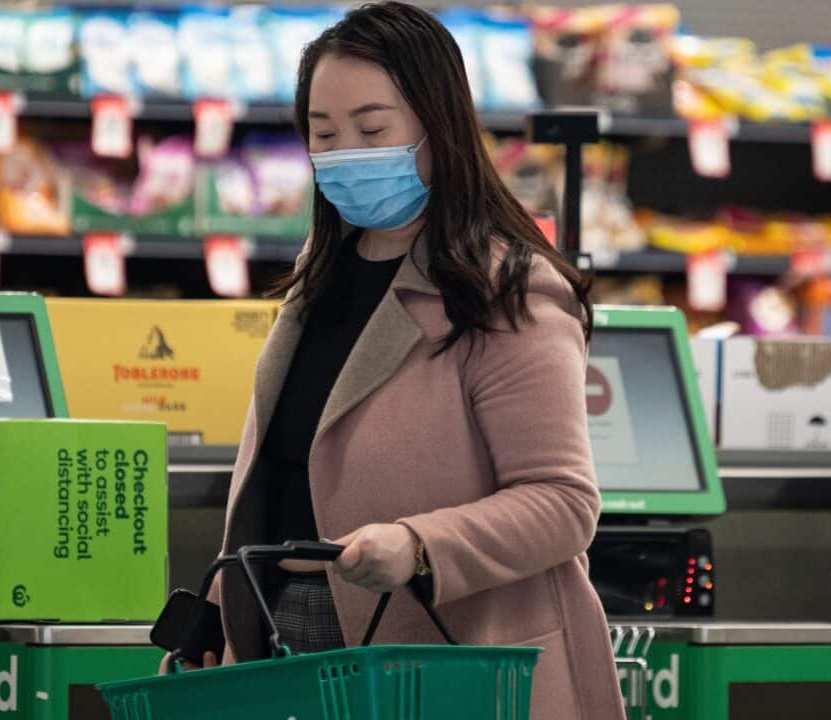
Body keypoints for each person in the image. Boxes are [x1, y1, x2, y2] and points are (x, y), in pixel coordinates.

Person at [204, 3, 625, 718]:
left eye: (372, 130)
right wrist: (218, 609)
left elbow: (563, 503)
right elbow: (282, 471)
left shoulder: (504, 291)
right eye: (323, 134)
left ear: (439, 126)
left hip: (452, 664)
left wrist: (417, 545)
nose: (345, 154)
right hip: (293, 646)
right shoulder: (321, 275)